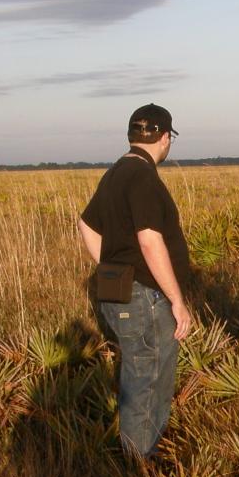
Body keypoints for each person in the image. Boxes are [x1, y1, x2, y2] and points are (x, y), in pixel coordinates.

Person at [78, 103, 194, 458]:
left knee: (140, 372)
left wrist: (111, 267)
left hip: (122, 290)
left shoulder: (116, 172)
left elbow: (86, 224)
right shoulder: (143, 177)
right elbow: (148, 238)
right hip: (146, 297)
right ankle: (139, 464)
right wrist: (176, 299)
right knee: (149, 380)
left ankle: (141, 455)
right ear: (164, 137)